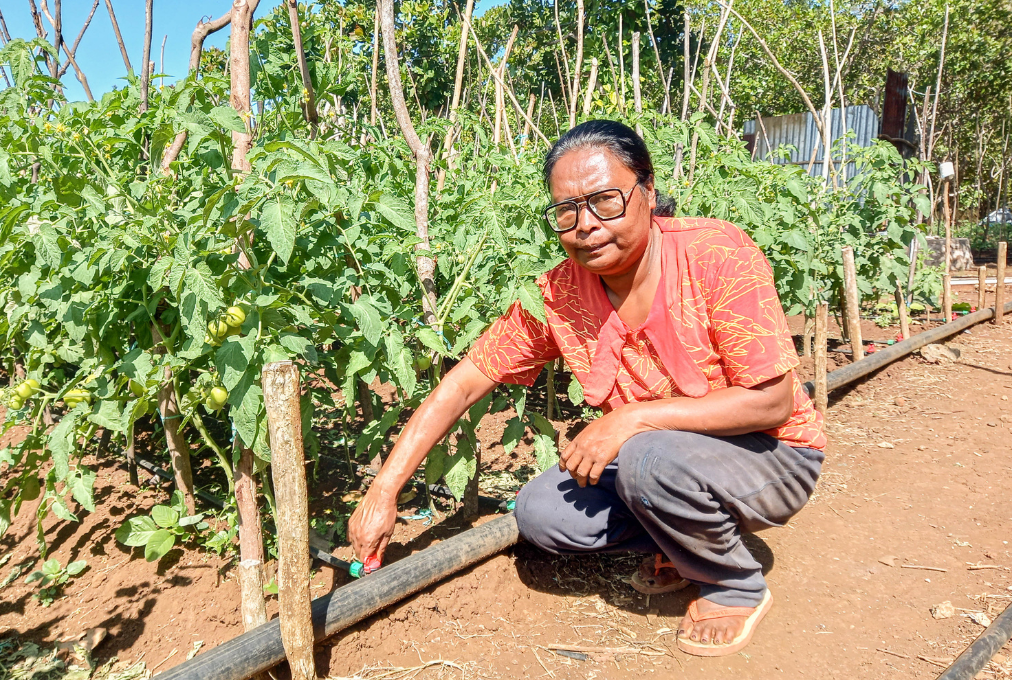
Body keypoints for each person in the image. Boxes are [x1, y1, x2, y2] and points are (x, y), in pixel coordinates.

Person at [349, 119, 826, 657]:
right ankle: (681, 536)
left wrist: (629, 419)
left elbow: (772, 401)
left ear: (647, 190)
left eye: (605, 201)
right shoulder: (559, 294)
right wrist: (383, 491)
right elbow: (463, 384)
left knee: (645, 457)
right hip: (660, 458)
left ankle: (733, 583)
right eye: (566, 210)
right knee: (540, 513)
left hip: (772, 455)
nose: (586, 225)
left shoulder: (715, 254)